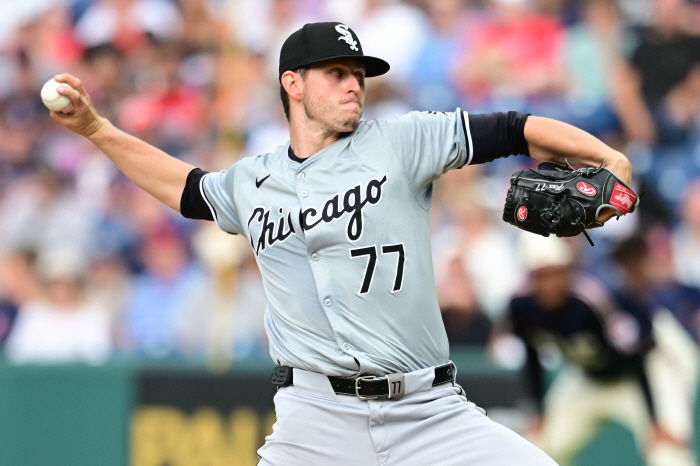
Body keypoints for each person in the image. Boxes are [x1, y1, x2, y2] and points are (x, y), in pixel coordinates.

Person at [49, 21, 632, 466]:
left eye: (358, 75)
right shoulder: (254, 180)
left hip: (427, 410)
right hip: (314, 421)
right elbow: (188, 189)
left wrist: (607, 157)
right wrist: (99, 130)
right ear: (293, 83)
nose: (355, 85)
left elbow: (512, 127)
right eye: (338, 73)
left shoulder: (401, 141)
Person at [495, 234, 694, 466]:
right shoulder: (522, 305)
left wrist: (656, 420)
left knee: (667, 451)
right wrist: (539, 412)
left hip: (646, 369)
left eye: (555, 273)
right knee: (538, 444)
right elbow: (532, 354)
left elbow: (636, 353)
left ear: (568, 270)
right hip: (589, 375)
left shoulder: (593, 299)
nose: (549, 284)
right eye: (541, 276)